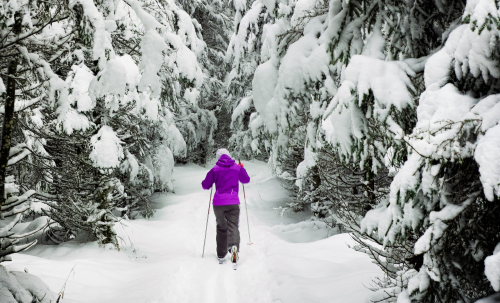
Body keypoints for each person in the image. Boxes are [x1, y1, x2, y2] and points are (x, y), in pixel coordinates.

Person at [201, 148, 250, 265]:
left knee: (221, 227)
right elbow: (246, 180)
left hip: (218, 204)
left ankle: (221, 255)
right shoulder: (237, 168)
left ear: (218, 158)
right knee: (233, 226)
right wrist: (242, 168)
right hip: (233, 202)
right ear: (229, 156)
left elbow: (205, 185)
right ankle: (234, 249)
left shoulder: (215, 169)